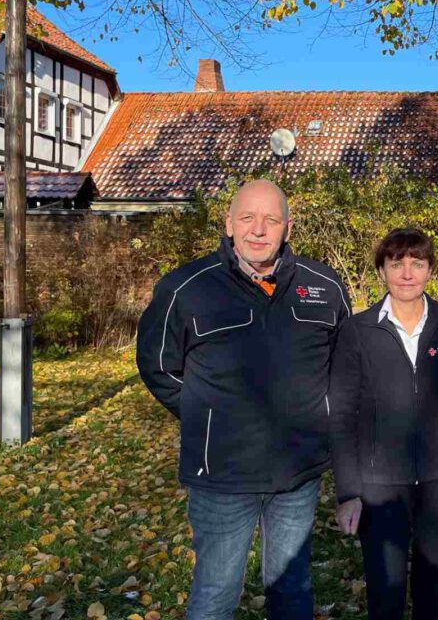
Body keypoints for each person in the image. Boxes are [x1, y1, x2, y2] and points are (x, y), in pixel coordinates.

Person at [136, 179, 351, 620]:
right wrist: (208, 416)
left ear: (288, 228)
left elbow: (345, 366)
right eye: (248, 218)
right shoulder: (186, 288)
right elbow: (159, 366)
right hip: (222, 475)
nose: (259, 229)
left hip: (298, 472)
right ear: (229, 224)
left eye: (271, 219)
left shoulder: (323, 286)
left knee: (292, 589)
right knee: (216, 593)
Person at [331, 228, 438, 620]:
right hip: (379, 487)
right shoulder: (357, 331)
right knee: (386, 597)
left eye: (417, 264)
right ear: (382, 269)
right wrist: (348, 492)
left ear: (430, 270)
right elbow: (342, 415)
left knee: (432, 595)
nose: (406, 273)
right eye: (396, 263)